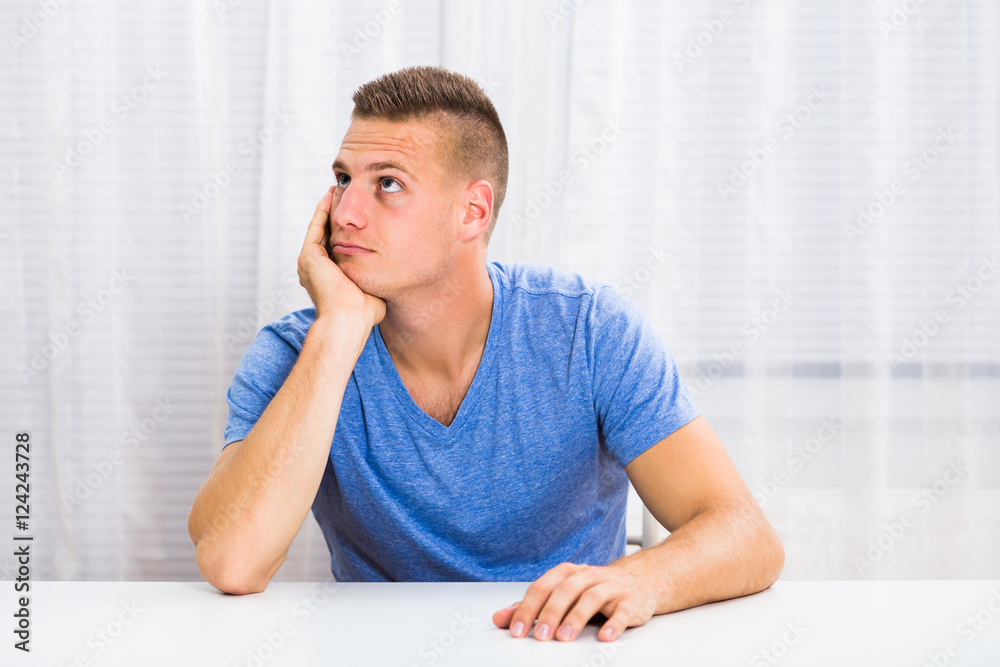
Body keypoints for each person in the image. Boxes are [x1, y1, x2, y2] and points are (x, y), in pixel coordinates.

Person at [187, 65, 784, 643]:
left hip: (560, 646)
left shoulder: (588, 329)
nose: (345, 212)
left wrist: (637, 580)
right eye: (344, 179)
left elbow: (746, 536)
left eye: (387, 183)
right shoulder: (298, 351)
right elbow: (232, 562)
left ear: (473, 211)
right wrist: (338, 329)